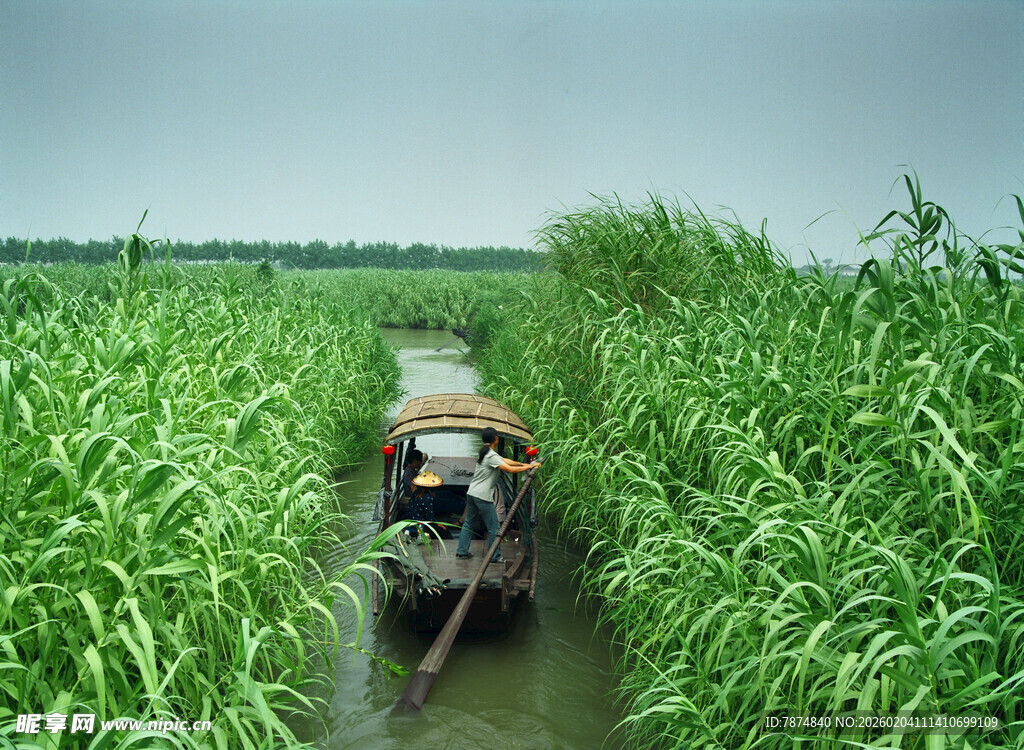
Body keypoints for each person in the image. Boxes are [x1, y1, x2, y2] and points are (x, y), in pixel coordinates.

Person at [456, 427, 540, 564]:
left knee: (468, 523)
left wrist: (524, 464)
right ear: (495, 439)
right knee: (494, 528)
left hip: (472, 493)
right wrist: (529, 467)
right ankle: (494, 556)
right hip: (482, 496)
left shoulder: (486, 453)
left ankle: (462, 551)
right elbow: (509, 469)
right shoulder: (491, 456)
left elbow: (506, 461)